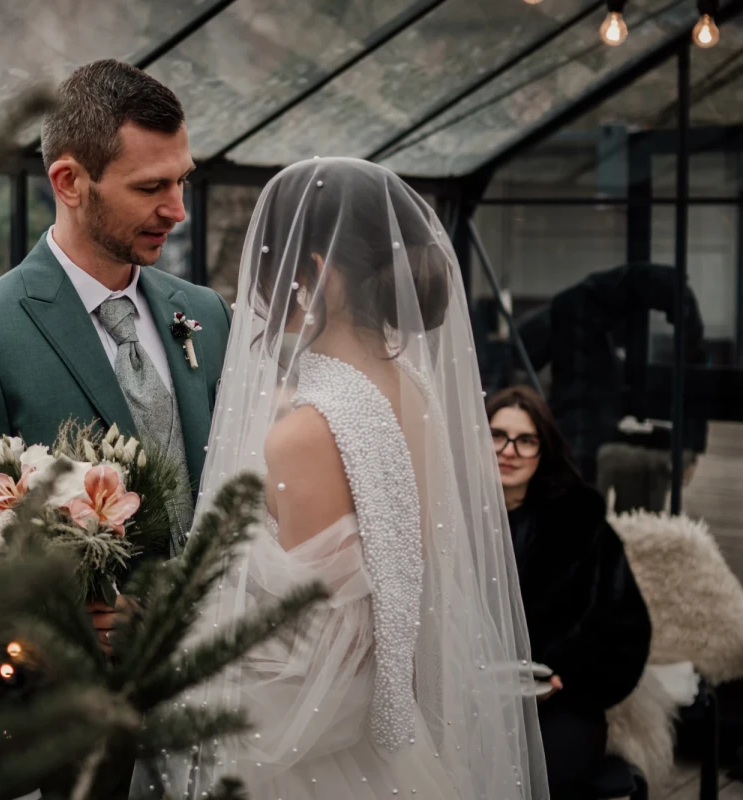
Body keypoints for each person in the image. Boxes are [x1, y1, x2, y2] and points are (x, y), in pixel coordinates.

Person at [136, 158, 548, 799]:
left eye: (269, 274)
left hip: (311, 758)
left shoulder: (305, 431)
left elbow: (310, 650)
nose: (261, 299)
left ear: (311, 278)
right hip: (394, 729)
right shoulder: (414, 391)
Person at [0, 59, 231, 619]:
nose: (177, 210)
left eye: (182, 179)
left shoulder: (206, 313)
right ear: (69, 183)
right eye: (150, 186)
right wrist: (64, 633)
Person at [487, 385, 652, 799]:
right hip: (470, 699)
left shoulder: (581, 522)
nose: (509, 451)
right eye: (496, 435)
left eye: (526, 440)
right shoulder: (444, 522)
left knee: (547, 779)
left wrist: (566, 676)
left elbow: (627, 630)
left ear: (544, 450)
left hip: (561, 703)